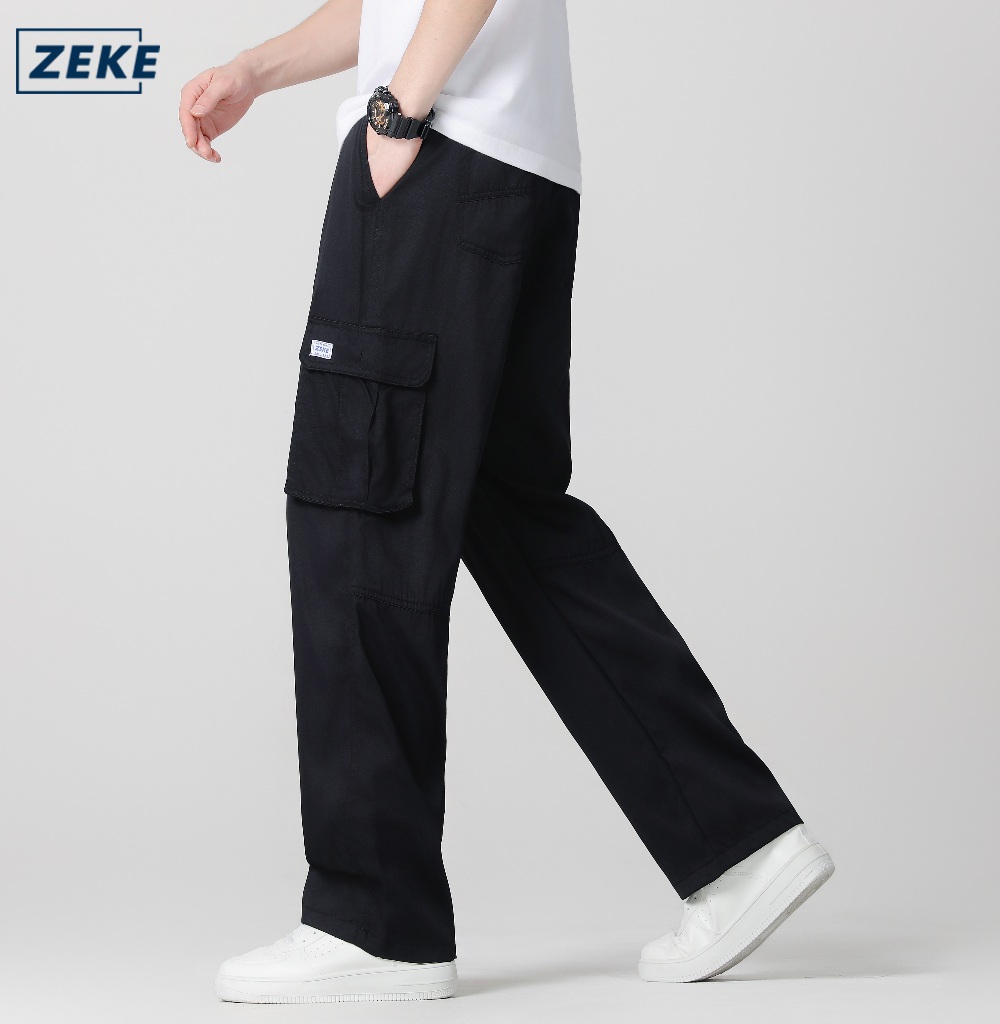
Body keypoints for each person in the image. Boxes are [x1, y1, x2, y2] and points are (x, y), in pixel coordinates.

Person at [179, 0, 835, 1003]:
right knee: (510, 512)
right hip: (513, 173)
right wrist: (255, 70)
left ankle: (374, 922)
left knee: (360, 517)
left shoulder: (416, 123)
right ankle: (739, 843)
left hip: (438, 157)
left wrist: (399, 110)